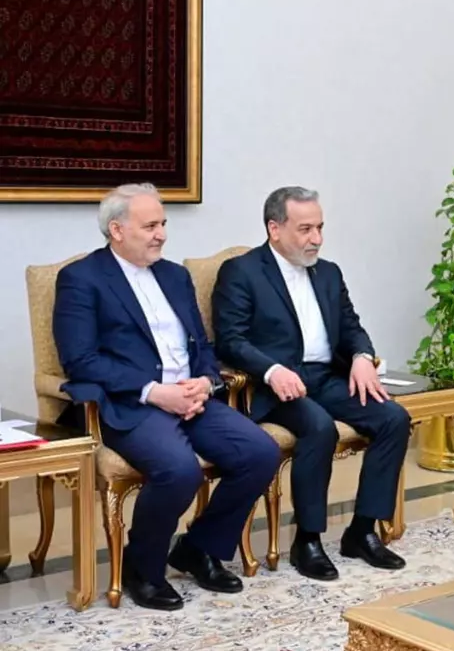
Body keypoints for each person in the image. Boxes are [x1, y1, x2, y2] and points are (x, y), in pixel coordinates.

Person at [52, 183, 282, 611]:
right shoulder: (81, 279)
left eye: (163, 224)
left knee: (260, 452)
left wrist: (205, 382)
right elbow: (80, 360)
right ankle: (142, 568)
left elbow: (202, 348)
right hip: (132, 404)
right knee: (179, 471)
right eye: (151, 225)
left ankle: (198, 549)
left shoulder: (175, 276)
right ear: (117, 230)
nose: (161, 234)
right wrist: (155, 392)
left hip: (193, 399)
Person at [212, 186, 411, 581]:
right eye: (305, 229)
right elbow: (230, 340)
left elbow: (352, 327)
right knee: (318, 427)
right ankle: (308, 539)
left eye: (319, 227)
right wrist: (271, 370)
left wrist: (360, 359)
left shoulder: (329, 272)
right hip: (273, 385)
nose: (316, 238)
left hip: (326, 377)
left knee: (393, 418)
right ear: (275, 228)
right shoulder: (242, 272)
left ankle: (361, 531)